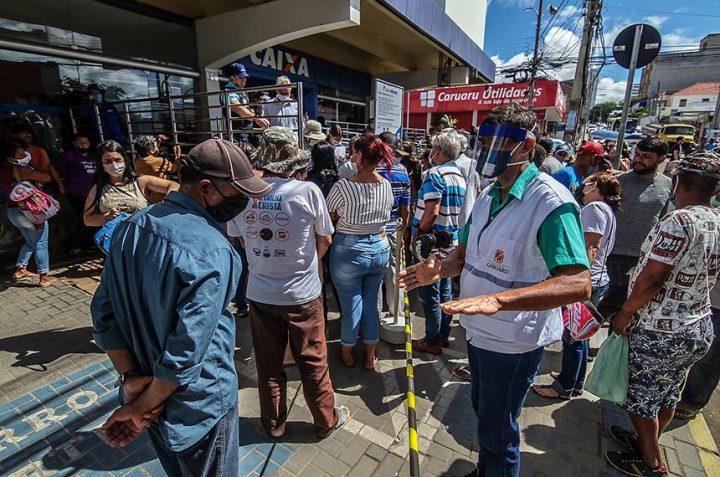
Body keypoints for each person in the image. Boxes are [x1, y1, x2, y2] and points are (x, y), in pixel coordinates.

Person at [399, 103, 591, 477]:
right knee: (483, 413)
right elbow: (464, 254)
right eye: (482, 141)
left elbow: (578, 282)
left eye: (498, 142)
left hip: (514, 341)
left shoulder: (551, 202)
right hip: (479, 334)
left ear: (526, 146)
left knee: (499, 429)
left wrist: (498, 300)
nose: (485, 151)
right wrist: (437, 269)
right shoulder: (487, 195)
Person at [91, 137, 270, 476]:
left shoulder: (129, 228)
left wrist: (133, 383)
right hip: (196, 405)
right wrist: (144, 403)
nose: (243, 202)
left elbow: (103, 314)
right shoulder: (213, 249)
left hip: (147, 391)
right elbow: (187, 348)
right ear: (206, 188)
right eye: (237, 192)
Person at [228, 126, 349, 439]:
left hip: (260, 293)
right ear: (294, 161)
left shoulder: (245, 194)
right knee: (313, 362)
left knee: (268, 364)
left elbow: (239, 240)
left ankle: (274, 425)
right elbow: (325, 239)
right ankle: (325, 421)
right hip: (303, 295)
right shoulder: (306, 191)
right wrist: (310, 264)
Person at [606, 151, 720, 477]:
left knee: (641, 396)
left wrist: (625, 314)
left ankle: (651, 461)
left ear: (678, 181)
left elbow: (652, 277)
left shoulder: (678, 221)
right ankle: (647, 440)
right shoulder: (717, 221)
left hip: (660, 329)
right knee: (668, 391)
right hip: (698, 326)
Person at [532, 172, 620, 400]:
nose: (584, 186)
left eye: (589, 182)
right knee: (578, 334)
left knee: (572, 336)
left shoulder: (595, 209)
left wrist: (576, 280)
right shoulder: (603, 210)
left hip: (589, 280)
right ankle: (573, 379)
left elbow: (591, 246)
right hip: (597, 279)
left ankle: (565, 386)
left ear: (596, 187)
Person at [326, 133, 394, 369]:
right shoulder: (385, 184)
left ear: (361, 156)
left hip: (348, 250)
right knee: (373, 303)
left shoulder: (344, 186)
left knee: (351, 305)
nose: (351, 156)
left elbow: (329, 213)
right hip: (380, 247)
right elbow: (387, 215)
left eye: (354, 151)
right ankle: (369, 355)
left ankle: (346, 353)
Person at [598, 137, 672, 319]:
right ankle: (577, 337)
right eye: (637, 155)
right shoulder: (619, 182)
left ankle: (613, 345)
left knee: (628, 308)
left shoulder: (668, 185)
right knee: (607, 304)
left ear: (661, 159)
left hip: (644, 256)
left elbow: (662, 218)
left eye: (646, 156)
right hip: (615, 254)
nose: (638, 159)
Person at [410, 129, 467, 355]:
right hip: (450, 240)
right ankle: (442, 335)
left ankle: (432, 340)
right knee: (444, 291)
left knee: (429, 293)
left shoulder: (435, 174)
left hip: (431, 243)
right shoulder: (459, 176)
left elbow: (431, 213)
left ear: (438, 150)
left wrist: (418, 234)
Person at [83, 140, 178, 227]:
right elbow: (87, 220)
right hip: (116, 242)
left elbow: (174, 185)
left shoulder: (140, 181)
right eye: (108, 161)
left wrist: (168, 200)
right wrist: (106, 216)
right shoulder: (97, 188)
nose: (114, 165)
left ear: (124, 159)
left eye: (117, 160)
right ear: (101, 164)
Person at [4, 141, 56, 287]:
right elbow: (47, 177)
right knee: (41, 243)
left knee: (30, 241)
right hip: (30, 211)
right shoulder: (22, 170)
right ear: (10, 158)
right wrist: (33, 164)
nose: (25, 156)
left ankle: (20, 269)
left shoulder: (4, 171)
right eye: (20, 154)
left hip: (13, 211)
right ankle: (44, 276)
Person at [377, 132, 411, 318]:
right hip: (393, 229)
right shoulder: (402, 172)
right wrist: (403, 228)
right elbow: (405, 208)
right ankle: (394, 310)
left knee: (374, 274)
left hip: (373, 230)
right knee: (393, 272)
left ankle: (374, 315)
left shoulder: (370, 169)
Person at [675, 280, 720, 420]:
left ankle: (693, 401)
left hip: (716, 302)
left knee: (709, 357)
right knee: (679, 347)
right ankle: (668, 393)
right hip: (697, 294)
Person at [53, 134, 97, 254]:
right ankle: (75, 246)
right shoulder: (69, 155)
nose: (83, 145)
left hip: (91, 193)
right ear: (75, 143)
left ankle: (90, 244)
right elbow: (51, 167)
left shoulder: (92, 158)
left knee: (92, 218)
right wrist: (60, 184)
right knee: (85, 218)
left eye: (85, 142)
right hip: (77, 193)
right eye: (80, 142)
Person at [10, 124, 64, 194]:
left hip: (41, 187)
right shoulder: (10, 155)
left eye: (28, 133)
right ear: (14, 135)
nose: (28, 135)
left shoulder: (39, 150)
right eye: (24, 133)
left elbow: (47, 169)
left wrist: (39, 186)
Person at [221, 63, 269, 130]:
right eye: (241, 77)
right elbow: (238, 108)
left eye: (245, 77)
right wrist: (256, 117)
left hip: (246, 133)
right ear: (232, 78)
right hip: (235, 135)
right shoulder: (228, 93)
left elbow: (246, 110)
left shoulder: (242, 92)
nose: (244, 80)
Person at [133, 136, 180, 203]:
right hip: (163, 195)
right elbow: (175, 168)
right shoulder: (160, 161)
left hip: (150, 197)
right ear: (151, 150)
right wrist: (177, 156)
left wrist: (155, 145)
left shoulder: (137, 162)